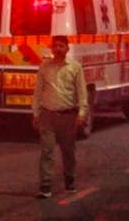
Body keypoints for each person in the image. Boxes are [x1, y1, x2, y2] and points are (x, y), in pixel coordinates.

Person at [32, 35, 88, 199]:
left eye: (61, 46)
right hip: (47, 115)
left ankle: (70, 181)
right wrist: (35, 113)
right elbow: (37, 92)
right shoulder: (44, 68)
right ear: (51, 49)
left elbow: (81, 92)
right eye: (55, 46)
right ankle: (45, 187)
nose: (58, 49)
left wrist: (82, 113)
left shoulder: (75, 68)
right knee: (47, 151)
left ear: (67, 49)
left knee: (68, 151)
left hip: (67, 116)